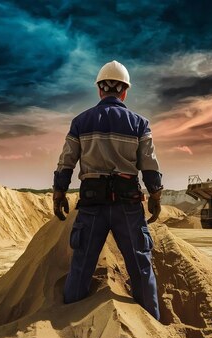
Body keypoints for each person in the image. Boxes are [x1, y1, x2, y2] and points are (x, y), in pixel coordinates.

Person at [52, 60, 163, 320]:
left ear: (100, 90)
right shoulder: (139, 124)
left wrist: (58, 193)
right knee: (140, 267)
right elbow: (149, 165)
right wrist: (156, 195)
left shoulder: (80, 122)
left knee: (81, 267)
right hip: (128, 206)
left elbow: (66, 161)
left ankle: (67, 327)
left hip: (92, 206)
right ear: (124, 91)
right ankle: (154, 328)